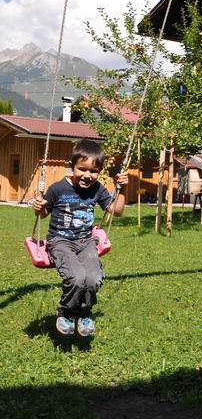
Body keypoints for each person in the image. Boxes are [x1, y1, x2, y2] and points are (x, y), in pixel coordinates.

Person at [33, 138, 128, 337]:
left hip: (86, 242)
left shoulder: (98, 189)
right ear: (71, 166)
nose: (87, 175)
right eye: (82, 169)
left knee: (93, 278)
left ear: (99, 171)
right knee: (76, 277)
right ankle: (66, 311)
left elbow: (116, 210)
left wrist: (122, 189)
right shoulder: (58, 188)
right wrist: (39, 207)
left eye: (93, 171)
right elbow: (43, 215)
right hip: (60, 241)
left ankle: (84, 313)